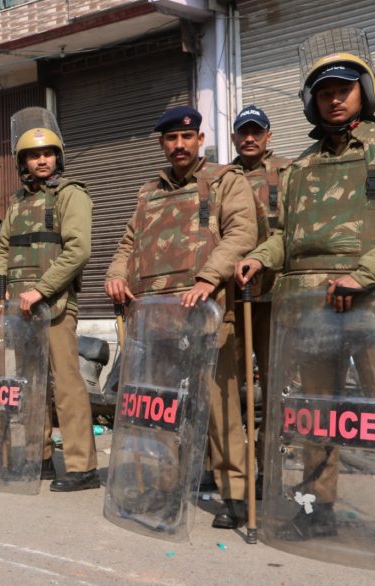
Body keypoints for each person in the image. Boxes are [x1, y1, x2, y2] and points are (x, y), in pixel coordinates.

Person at [236, 35, 375, 547]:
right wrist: (260, 256)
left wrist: (361, 276)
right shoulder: (299, 168)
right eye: (325, 92)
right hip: (310, 306)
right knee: (318, 413)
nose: (335, 99)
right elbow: (286, 235)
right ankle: (316, 506)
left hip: (374, 302)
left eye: (345, 89)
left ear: (364, 93)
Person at [105, 106, 259, 523]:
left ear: (199, 140)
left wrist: (209, 278)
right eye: (171, 138)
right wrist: (116, 275)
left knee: (220, 408)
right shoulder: (147, 191)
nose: (179, 145)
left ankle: (236, 495)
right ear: (162, 144)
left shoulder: (227, 181)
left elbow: (243, 233)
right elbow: (126, 246)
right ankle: (165, 488)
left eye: (186, 138)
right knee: (163, 411)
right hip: (156, 320)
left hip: (206, 315)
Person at [0, 115, 98, 491]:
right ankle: (42, 458)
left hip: (54, 307)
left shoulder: (71, 194)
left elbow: (78, 250)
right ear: (23, 163)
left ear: (58, 157)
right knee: (30, 388)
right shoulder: (16, 203)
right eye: (34, 156)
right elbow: (2, 251)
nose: (42, 160)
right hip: (20, 312)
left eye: (48, 153)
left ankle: (82, 467)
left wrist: (41, 290)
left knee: (66, 386)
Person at [230, 105, 292, 495]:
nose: (250, 138)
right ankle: (228, 467)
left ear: (268, 136)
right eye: (243, 132)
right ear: (235, 137)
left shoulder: (288, 173)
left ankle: (270, 468)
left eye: (257, 131)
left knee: (275, 384)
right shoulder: (221, 177)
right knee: (227, 382)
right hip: (232, 293)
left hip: (274, 291)